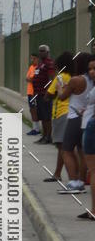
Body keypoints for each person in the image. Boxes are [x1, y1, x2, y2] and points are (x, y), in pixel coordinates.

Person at [59, 52, 93, 192]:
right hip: (87, 118)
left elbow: (62, 97)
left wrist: (59, 87)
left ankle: (73, 181)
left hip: (74, 117)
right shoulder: (90, 80)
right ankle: (81, 180)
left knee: (66, 150)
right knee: (81, 151)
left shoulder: (75, 80)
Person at [43, 52, 72, 184]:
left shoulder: (59, 77)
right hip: (72, 113)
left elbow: (48, 95)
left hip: (60, 113)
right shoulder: (73, 77)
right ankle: (58, 173)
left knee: (63, 148)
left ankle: (71, 177)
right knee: (68, 147)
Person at [80, 59, 95, 220]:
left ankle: (94, 210)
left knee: (93, 171)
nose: (92, 72)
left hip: (92, 127)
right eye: (90, 68)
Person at [32, 44, 56, 143]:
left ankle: (48, 137)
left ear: (47, 52)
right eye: (40, 51)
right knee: (41, 116)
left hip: (44, 95)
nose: (41, 52)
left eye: (43, 51)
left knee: (46, 117)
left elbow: (51, 80)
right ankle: (44, 135)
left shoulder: (49, 63)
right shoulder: (40, 64)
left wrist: (48, 93)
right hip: (38, 94)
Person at [26, 52, 40, 135]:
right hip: (29, 91)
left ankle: (37, 129)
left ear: (37, 59)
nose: (32, 60)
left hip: (35, 92)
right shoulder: (31, 67)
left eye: (34, 58)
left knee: (35, 110)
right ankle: (34, 127)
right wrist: (31, 79)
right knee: (31, 109)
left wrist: (31, 79)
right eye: (31, 58)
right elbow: (27, 78)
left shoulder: (38, 68)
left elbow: (34, 79)